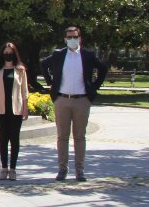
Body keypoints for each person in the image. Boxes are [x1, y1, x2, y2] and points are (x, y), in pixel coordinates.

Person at [41, 26, 108, 182]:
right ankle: (62, 169)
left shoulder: (87, 55)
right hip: (62, 99)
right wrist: (51, 83)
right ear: (65, 39)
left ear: (80, 38)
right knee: (62, 136)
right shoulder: (59, 55)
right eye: (69, 37)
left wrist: (94, 86)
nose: (72, 39)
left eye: (75, 37)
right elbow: (43, 65)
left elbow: (103, 68)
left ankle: (80, 170)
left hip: (82, 100)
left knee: (79, 136)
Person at [0, 42, 29, 181]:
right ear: (2, 54)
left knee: (15, 140)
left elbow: (24, 91)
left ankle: (13, 169)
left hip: (16, 110)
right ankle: (4, 167)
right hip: (1, 110)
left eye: (10, 52)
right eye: (5, 52)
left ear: (14, 53)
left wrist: (25, 108)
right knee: (3, 140)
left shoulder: (21, 70)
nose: (8, 55)